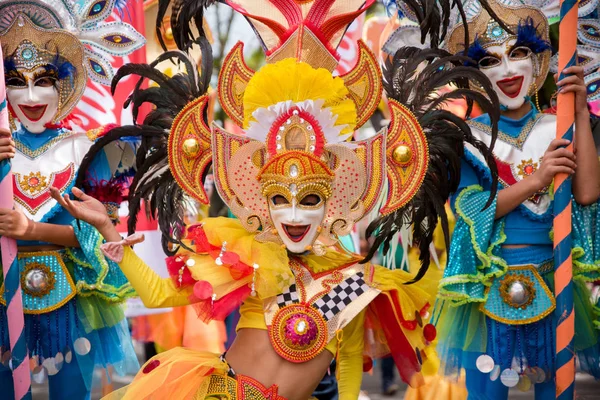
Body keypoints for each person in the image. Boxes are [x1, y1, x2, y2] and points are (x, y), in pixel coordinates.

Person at [52, 0, 502, 398]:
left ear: (335, 202)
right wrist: (108, 229)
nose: (293, 215)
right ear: (260, 203)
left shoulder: (358, 282)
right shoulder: (247, 259)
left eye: (309, 199)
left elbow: (345, 370)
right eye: (279, 200)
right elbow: (156, 294)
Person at [436, 1, 600, 399]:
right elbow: (473, 210)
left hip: (553, 279)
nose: (508, 71)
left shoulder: (558, 125)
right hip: (490, 287)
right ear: (476, 74)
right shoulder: (467, 137)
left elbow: (589, 193)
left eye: (518, 54)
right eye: (491, 61)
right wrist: (539, 179)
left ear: (539, 62)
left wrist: (579, 113)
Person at [0, 1, 144, 398]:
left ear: (63, 82)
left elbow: (98, 234)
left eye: (42, 79)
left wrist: (32, 229)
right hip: (2, 292)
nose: (29, 95)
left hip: (69, 297)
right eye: (16, 80)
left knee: (70, 391)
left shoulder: (86, 148)